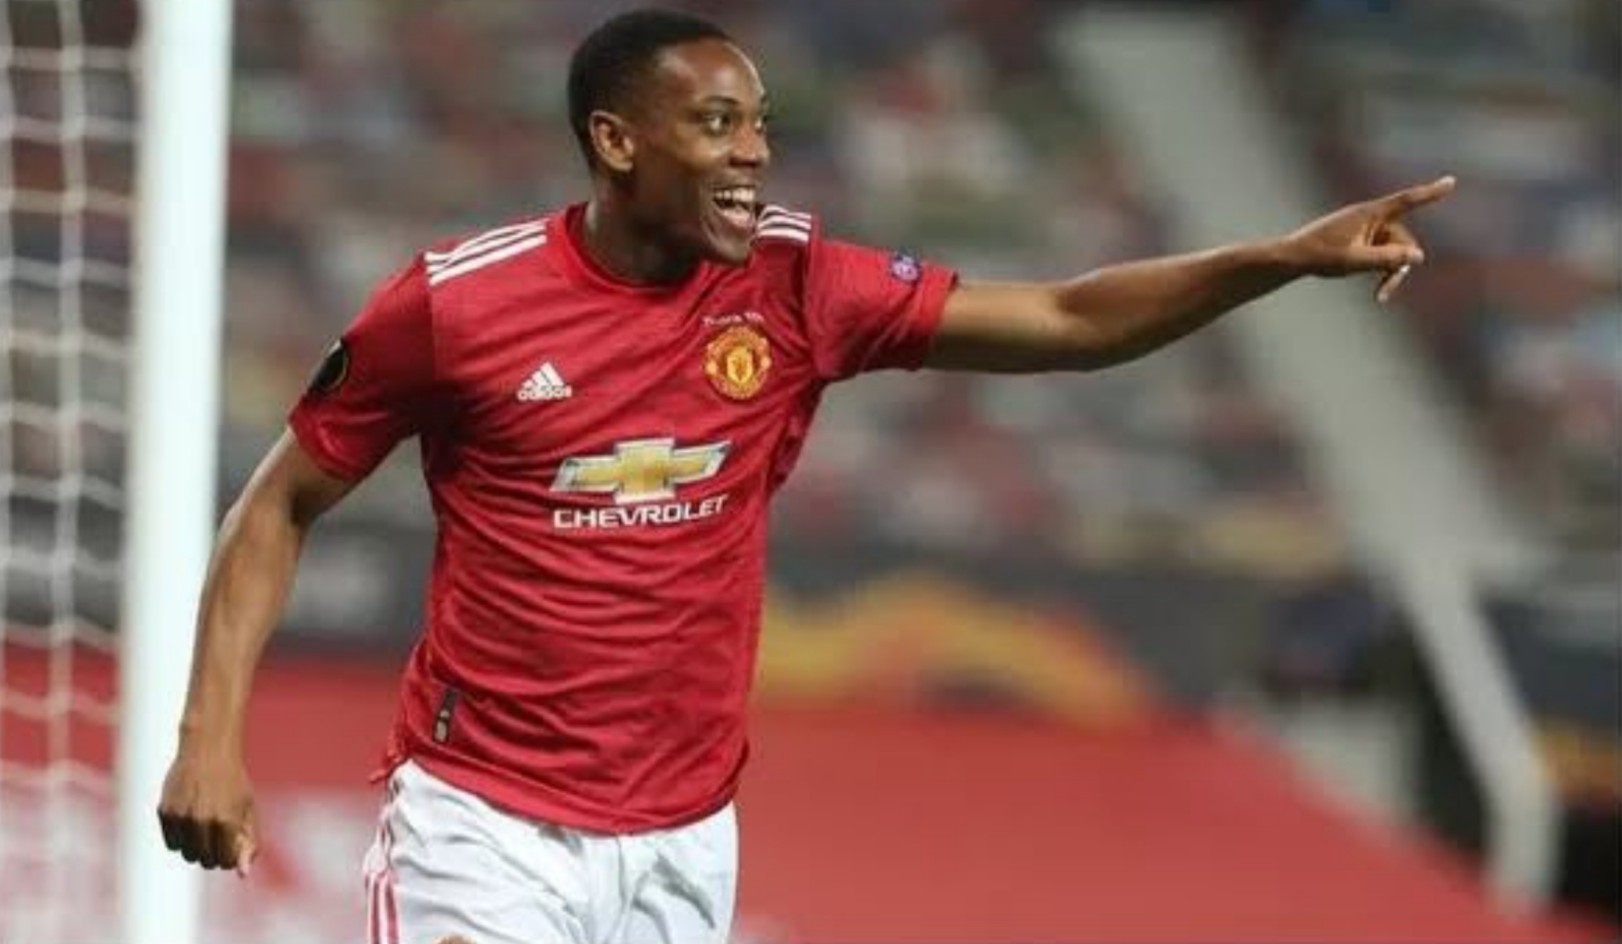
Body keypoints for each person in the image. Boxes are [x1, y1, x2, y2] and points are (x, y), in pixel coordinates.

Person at [157, 7, 1455, 943]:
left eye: (759, 125)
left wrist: (1278, 259)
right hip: (485, 827)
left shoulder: (799, 285)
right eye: (714, 123)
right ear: (617, 141)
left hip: (682, 840)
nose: (752, 153)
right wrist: (208, 742)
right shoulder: (456, 308)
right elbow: (280, 503)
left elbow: (1066, 319)